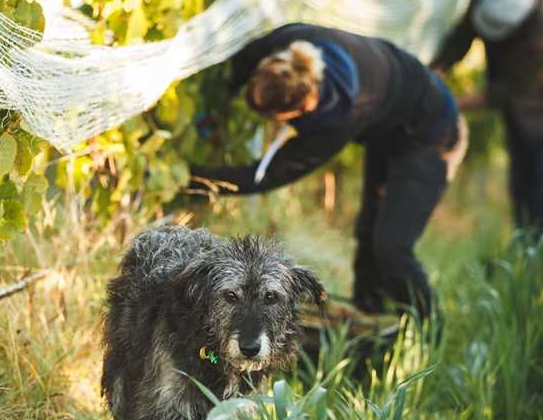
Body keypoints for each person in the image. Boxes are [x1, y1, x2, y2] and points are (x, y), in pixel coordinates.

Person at [189, 23, 467, 319]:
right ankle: (368, 315)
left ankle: (428, 328)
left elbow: (268, 175)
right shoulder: (291, 44)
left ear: (300, 111)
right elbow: (243, 61)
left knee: (391, 245)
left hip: (433, 134)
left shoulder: (338, 120)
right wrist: (219, 105)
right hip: (390, 125)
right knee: (367, 231)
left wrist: (192, 178)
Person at [430, 0, 543, 235]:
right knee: (521, 176)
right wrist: (432, 75)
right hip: (518, 100)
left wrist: (450, 104)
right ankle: (525, 241)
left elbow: (509, 91)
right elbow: (460, 39)